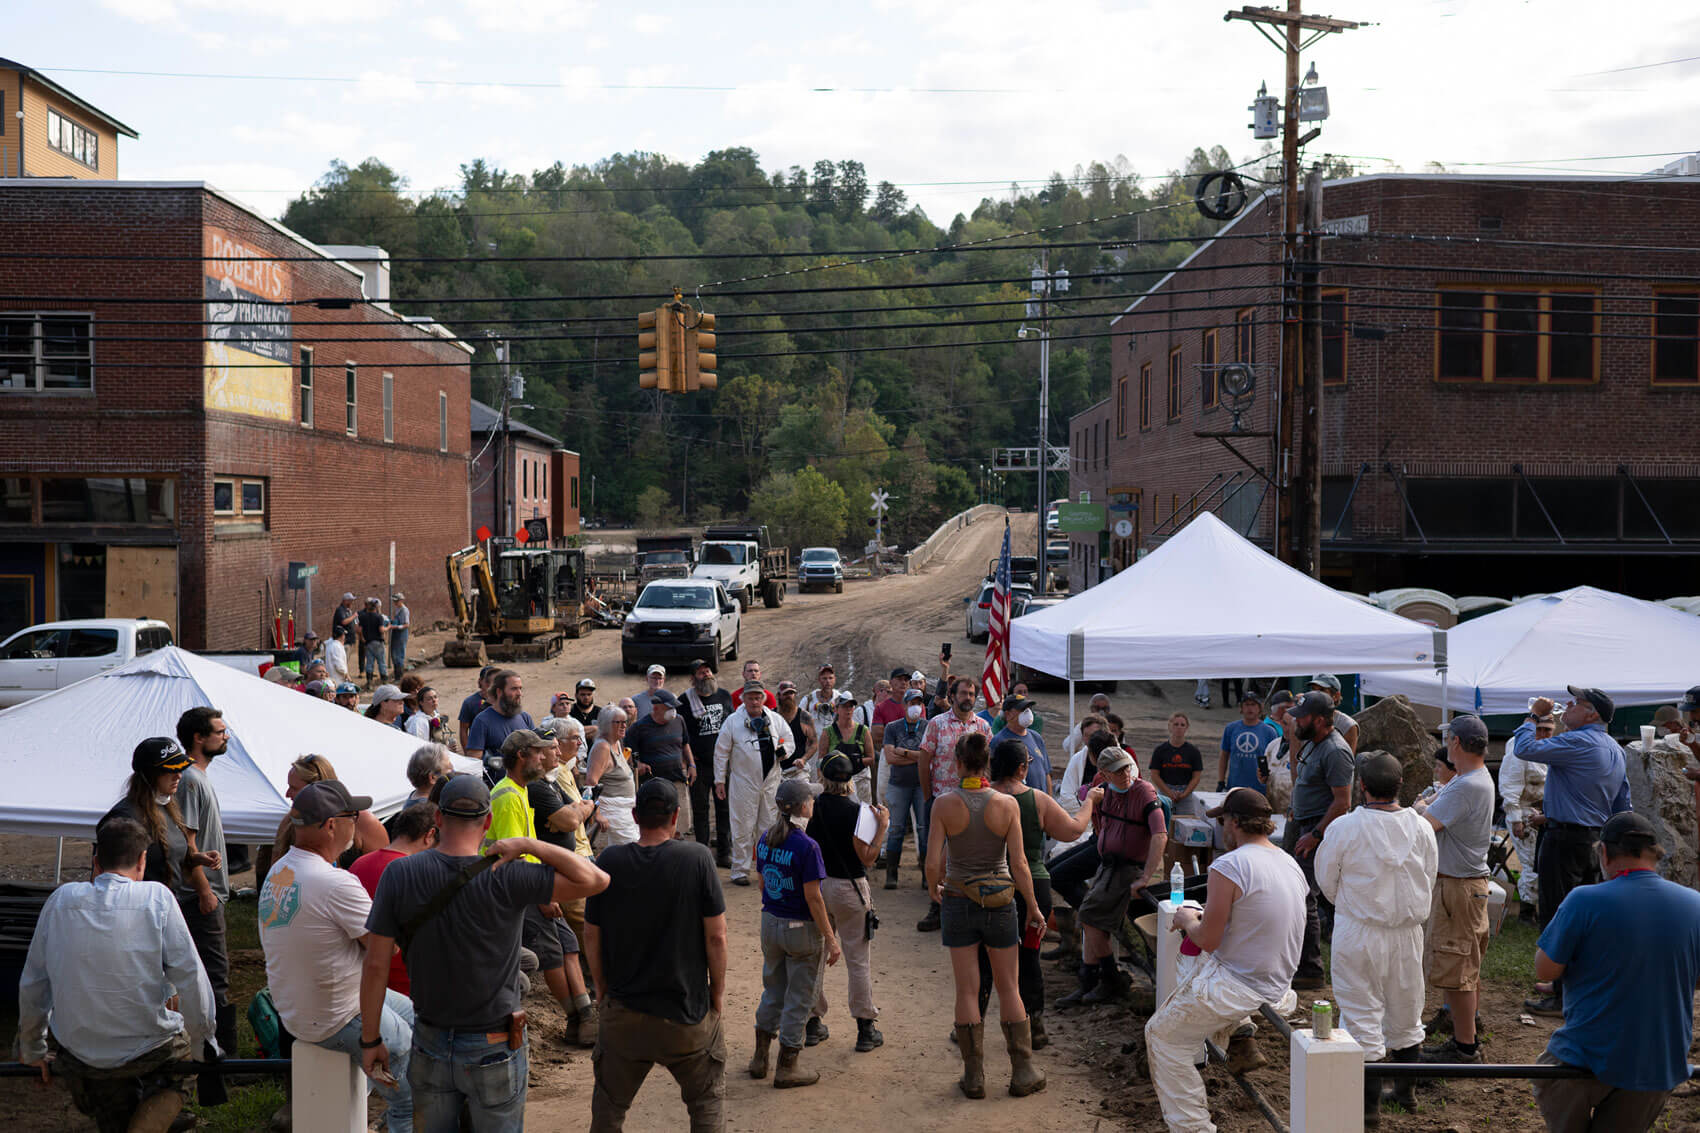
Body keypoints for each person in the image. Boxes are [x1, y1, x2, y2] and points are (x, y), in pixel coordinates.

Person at [361, 776, 609, 1127]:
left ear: (438, 820)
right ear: (489, 822)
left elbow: (374, 965)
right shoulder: (507, 875)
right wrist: (528, 844)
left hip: (429, 1038)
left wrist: (370, 1038)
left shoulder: (399, 874)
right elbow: (596, 880)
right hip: (494, 1042)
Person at [17, 816, 217, 1133]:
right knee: (185, 1068)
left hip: (81, 1056)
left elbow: (34, 984)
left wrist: (32, 1049)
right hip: (149, 1051)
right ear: (142, 860)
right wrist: (205, 1042)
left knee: (111, 1106)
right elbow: (191, 975)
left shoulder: (59, 901)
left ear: (96, 862)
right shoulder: (157, 898)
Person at [1147, 788, 1307, 1133]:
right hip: (1279, 980)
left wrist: (1188, 918)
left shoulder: (1229, 864)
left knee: (1162, 1036)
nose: (1223, 829)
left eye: (1223, 822)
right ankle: (1240, 1033)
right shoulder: (1288, 862)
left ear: (1234, 823)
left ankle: (1193, 1128)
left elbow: (1207, 938)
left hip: (1242, 984)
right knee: (1199, 964)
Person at [1530, 812, 1700, 1133]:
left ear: (1604, 854)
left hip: (1585, 1057)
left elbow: (1546, 967)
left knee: (1550, 1075)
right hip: (1659, 1062)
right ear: (1657, 854)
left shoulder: (1584, 900)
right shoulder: (1695, 904)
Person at [259, 779, 414, 1132]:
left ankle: (373, 1103)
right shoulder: (334, 882)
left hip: (298, 1007)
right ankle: (400, 1116)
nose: (358, 823)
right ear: (332, 825)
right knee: (413, 1084)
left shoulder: (279, 869)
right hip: (337, 1013)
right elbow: (386, 948)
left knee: (414, 1019)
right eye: (353, 816)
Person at [584, 779, 729, 1130]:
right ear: (676, 816)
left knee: (608, 1109)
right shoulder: (697, 858)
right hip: (686, 1014)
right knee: (706, 1106)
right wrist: (717, 995)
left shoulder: (611, 860)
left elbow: (591, 934)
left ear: (635, 815)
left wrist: (602, 989)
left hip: (624, 1016)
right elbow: (717, 938)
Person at [1316, 753, 1438, 1124]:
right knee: (1407, 1006)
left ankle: (1369, 1110)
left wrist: (1351, 905)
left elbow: (1326, 878)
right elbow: (1429, 876)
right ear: (1401, 785)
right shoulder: (1422, 828)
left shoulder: (1344, 827)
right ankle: (1405, 1093)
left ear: (1362, 787)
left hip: (1360, 930)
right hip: (1405, 930)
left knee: (1359, 1012)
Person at [925, 732, 1047, 1099]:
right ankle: (1023, 1071)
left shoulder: (944, 804)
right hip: (1000, 901)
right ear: (987, 764)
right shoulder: (1007, 804)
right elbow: (1019, 863)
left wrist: (936, 889)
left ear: (957, 764)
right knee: (1010, 986)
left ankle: (974, 1076)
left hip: (959, 898)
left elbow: (933, 861)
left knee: (967, 989)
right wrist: (1034, 906)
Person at [1515, 688, 1632, 1016]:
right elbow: (1623, 804)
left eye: (1575, 703)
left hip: (1565, 841)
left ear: (1592, 714)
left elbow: (1524, 748)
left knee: (1558, 917)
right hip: (1596, 842)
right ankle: (1571, 986)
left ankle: (1562, 998)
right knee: (1586, 919)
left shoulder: (1579, 740)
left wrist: (1534, 716)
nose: (1566, 706)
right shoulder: (1614, 748)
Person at [980, 737, 1097, 1050]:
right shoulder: (1038, 800)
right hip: (1035, 888)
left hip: (990, 888)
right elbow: (1073, 830)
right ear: (1022, 768)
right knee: (1030, 957)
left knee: (985, 957)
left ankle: (972, 1023)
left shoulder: (981, 797)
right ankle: (1037, 1024)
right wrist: (1090, 803)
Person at [487, 728, 600, 1046]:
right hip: (521, 892)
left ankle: (584, 1017)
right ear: (522, 756)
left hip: (536, 887)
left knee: (567, 945)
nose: (545, 755)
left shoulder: (520, 789)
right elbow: (514, 857)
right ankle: (577, 1019)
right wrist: (541, 896)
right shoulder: (509, 795)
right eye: (538, 751)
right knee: (551, 953)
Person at [1410, 714, 1496, 1064]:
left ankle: (1464, 1047)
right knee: (1465, 965)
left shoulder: (1466, 785)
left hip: (1458, 887)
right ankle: (1465, 1034)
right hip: (1468, 885)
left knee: (1456, 967)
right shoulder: (1473, 779)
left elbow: (1423, 824)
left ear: (1456, 743)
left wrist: (1419, 806)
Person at [1056, 745, 1167, 1009]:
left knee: (1090, 917)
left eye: (1127, 768)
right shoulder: (1107, 792)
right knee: (1090, 918)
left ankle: (1106, 978)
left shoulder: (1143, 791)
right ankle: (1095, 979)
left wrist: (1145, 876)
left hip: (1127, 868)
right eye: (1118, 771)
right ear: (1105, 774)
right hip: (1108, 865)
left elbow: (1160, 834)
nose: (1125, 774)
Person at [750, 777, 842, 1089]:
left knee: (773, 990)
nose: (814, 804)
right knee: (800, 997)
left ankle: (760, 1056)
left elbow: (763, 884)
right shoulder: (807, 846)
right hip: (800, 928)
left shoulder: (766, 838)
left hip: (770, 922)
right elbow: (814, 898)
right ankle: (787, 1065)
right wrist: (831, 939)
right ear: (803, 806)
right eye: (811, 800)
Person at [806, 752, 890, 1053]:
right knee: (857, 959)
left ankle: (812, 1022)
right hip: (851, 887)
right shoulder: (860, 811)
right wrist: (882, 827)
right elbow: (866, 857)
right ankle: (865, 1028)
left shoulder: (813, 807)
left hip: (818, 886)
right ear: (850, 780)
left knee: (815, 955)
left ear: (822, 777)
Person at [172, 706, 238, 1090]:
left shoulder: (197, 777)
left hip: (207, 894)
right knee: (215, 978)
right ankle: (220, 1067)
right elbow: (188, 843)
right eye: (219, 731)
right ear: (199, 738)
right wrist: (204, 890)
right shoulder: (191, 781)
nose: (225, 736)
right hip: (201, 897)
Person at [1284, 690, 1354, 990]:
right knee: (1292, 893)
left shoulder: (1336, 751)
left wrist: (1315, 835)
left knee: (1304, 897)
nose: (1297, 721)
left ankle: (1311, 969)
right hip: (1300, 823)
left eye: (1303, 717)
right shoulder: (1314, 743)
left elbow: (1342, 802)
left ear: (1322, 720)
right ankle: (1295, 961)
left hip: (1314, 829)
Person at [915, 676, 995, 932]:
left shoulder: (982, 726)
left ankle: (966, 905)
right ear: (952, 696)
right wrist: (928, 796)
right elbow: (924, 760)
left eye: (972, 694)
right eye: (963, 693)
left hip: (974, 803)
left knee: (967, 854)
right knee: (937, 854)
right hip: (941, 800)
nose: (968, 698)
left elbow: (988, 765)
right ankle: (936, 907)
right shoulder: (936, 724)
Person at [102, 737, 219, 892]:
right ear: (149, 774)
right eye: (170, 770)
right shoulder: (125, 817)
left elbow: (164, 858)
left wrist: (195, 858)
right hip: (141, 907)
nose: (179, 775)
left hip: (167, 903)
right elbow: (110, 877)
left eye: (180, 768)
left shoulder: (167, 806)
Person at [351, 801, 438, 996]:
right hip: (408, 986)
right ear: (429, 836)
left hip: (366, 979)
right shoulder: (420, 874)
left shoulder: (358, 865)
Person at [715, 681, 798, 886]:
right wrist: (719, 780)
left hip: (770, 782)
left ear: (763, 698)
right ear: (743, 698)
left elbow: (790, 740)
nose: (754, 701)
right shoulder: (733, 722)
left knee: (769, 827)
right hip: (743, 782)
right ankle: (740, 871)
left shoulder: (775, 719)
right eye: (750, 697)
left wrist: (783, 751)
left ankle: (766, 869)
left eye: (758, 697)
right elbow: (721, 752)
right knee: (742, 826)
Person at [680, 657, 735, 865]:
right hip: (699, 765)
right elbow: (681, 735)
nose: (707, 674)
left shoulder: (724, 696)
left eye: (708, 671)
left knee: (724, 808)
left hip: (722, 764)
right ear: (693, 678)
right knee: (701, 810)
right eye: (701, 672)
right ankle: (702, 854)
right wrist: (688, 763)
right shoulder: (684, 701)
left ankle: (724, 853)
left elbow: (731, 726)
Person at [1502, 713, 1554, 926]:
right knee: (1533, 862)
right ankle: (1526, 912)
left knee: (1543, 861)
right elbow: (1510, 785)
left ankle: (1537, 908)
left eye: (1547, 729)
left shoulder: (1551, 746)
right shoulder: (1518, 748)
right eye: (1539, 729)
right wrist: (1516, 819)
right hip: (1524, 812)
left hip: (1546, 811)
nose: (1542, 734)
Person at [880, 688, 931, 889]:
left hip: (922, 785)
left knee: (924, 828)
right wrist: (917, 756)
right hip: (898, 785)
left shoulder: (928, 726)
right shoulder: (892, 728)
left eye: (919, 702)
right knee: (896, 829)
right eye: (912, 703)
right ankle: (891, 874)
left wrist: (906, 752)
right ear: (905, 705)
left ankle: (927, 875)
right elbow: (890, 757)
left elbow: (929, 757)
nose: (915, 707)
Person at [628, 688, 695, 838]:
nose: (673, 711)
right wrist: (638, 764)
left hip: (677, 780)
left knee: (679, 828)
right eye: (669, 708)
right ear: (657, 707)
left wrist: (692, 765)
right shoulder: (639, 728)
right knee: (656, 827)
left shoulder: (679, 721)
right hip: (653, 786)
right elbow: (629, 755)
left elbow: (685, 744)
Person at [467, 669, 537, 786]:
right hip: (498, 789)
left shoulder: (525, 717)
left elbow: (536, 751)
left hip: (528, 787)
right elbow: (474, 762)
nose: (519, 693)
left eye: (520, 688)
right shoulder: (482, 721)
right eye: (514, 689)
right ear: (499, 692)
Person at [589, 706, 641, 847]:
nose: (624, 725)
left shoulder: (616, 742)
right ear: (606, 725)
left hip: (626, 809)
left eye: (625, 722)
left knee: (624, 852)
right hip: (614, 810)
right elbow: (591, 782)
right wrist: (597, 813)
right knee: (632, 849)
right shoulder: (603, 748)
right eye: (619, 722)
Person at [816, 691, 878, 804]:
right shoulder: (828, 732)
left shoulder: (863, 730)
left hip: (861, 780)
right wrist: (822, 782)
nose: (848, 709)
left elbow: (871, 758)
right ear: (836, 709)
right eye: (844, 706)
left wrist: (857, 761)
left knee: (863, 814)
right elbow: (820, 760)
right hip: (836, 783)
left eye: (851, 706)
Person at [1218, 692, 1280, 793]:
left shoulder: (1270, 732)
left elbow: (1274, 761)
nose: (1250, 708)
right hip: (1234, 787)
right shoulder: (1231, 728)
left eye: (1253, 705)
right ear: (1241, 708)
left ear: (1260, 707)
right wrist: (1220, 781)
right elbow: (1224, 755)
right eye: (1246, 705)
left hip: (1260, 789)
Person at [991, 694, 1052, 793]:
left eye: (1028, 708)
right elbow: (995, 780)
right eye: (1022, 709)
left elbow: (1046, 773)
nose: (1027, 712)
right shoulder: (999, 741)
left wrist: (1049, 800)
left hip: (1041, 802)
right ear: (1008, 714)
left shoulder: (1036, 737)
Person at [1150, 711, 1206, 818]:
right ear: (1169, 726)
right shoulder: (1160, 750)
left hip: (1186, 794)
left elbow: (1196, 777)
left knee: (1188, 825)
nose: (1179, 727)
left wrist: (1184, 794)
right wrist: (1169, 793)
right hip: (1164, 792)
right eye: (1176, 724)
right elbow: (1154, 775)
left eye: (1182, 725)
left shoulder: (1193, 751)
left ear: (1187, 728)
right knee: (1162, 823)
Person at [1056, 714, 1109, 814]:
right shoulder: (1077, 759)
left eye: (1093, 735)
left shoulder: (1123, 759)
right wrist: (1090, 805)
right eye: (1086, 735)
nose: (1089, 740)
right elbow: (1065, 797)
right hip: (1084, 822)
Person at [1307, 674, 1360, 752]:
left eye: (1322, 690)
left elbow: (1346, 761)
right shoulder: (1301, 720)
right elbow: (1295, 761)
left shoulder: (1348, 725)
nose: (1316, 694)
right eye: (1313, 689)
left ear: (1336, 696)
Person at [458, 665, 499, 752]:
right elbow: (463, 730)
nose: (491, 685)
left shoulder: (503, 701)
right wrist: (468, 753)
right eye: (487, 681)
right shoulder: (469, 703)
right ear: (480, 681)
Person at [774, 680, 815, 767]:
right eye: (785, 694)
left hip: (797, 770)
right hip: (775, 768)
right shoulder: (771, 716)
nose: (789, 696)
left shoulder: (804, 716)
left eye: (791, 693)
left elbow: (814, 743)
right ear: (778, 695)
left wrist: (803, 759)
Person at [1062, 694, 1112, 762]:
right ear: (1091, 708)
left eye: (1105, 709)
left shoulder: (1113, 725)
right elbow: (1069, 746)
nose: (1101, 712)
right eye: (1097, 708)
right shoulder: (1085, 724)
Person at [359, 596, 391, 686]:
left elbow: (359, 629)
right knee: (381, 662)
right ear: (376, 608)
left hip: (368, 642)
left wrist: (362, 638)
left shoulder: (363, 617)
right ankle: (384, 681)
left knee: (369, 662)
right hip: (378, 642)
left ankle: (369, 682)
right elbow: (381, 630)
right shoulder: (379, 617)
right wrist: (388, 627)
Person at [802, 661, 839, 735]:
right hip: (815, 744)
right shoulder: (808, 699)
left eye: (830, 678)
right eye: (824, 678)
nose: (828, 681)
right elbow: (799, 720)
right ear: (819, 679)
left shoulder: (840, 699)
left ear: (835, 679)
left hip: (835, 744)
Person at [569, 677, 603, 746]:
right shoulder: (569, 711)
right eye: (583, 694)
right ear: (576, 695)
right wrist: (594, 730)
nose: (586, 697)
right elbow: (565, 733)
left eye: (589, 694)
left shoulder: (601, 712)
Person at [388, 591, 411, 674]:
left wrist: (396, 626)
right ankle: (396, 673)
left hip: (402, 634)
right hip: (396, 633)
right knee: (394, 654)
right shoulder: (398, 609)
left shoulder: (404, 611)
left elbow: (406, 624)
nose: (395, 603)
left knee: (399, 654)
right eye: (394, 601)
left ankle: (399, 675)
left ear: (401, 600)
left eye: (396, 601)